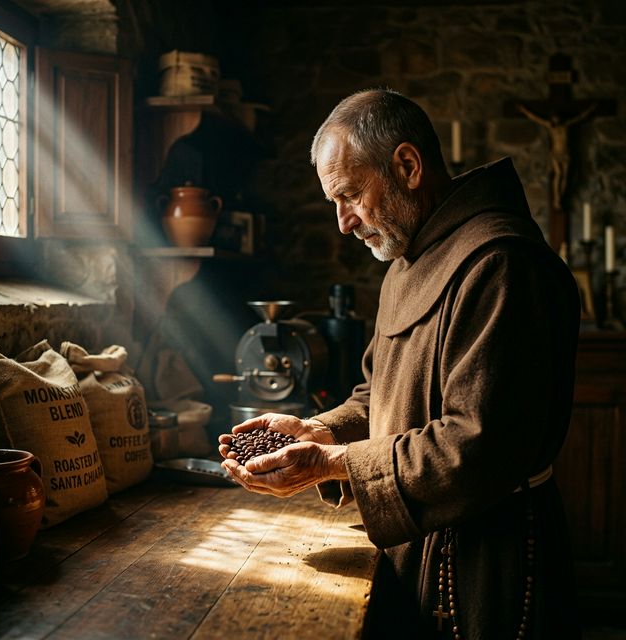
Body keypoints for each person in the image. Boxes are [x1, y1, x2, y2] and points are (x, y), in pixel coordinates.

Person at [219, 89, 582, 639]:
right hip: (418, 544)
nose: (343, 223)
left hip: (490, 565)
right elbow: (378, 390)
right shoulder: (409, 257)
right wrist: (319, 429)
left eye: (350, 195)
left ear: (407, 166)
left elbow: (477, 444)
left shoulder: (500, 263)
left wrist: (334, 463)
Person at [517, 102, 597, 211]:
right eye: (554, 118)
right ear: (552, 119)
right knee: (558, 174)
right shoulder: (551, 127)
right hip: (556, 155)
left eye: (557, 118)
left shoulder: (566, 126)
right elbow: (536, 118)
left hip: (566, 154)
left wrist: (591, 109)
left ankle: (561, 197)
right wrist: (524, 111)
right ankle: (557, 198)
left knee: (565, 177)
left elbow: (580, 118)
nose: (556, 120)